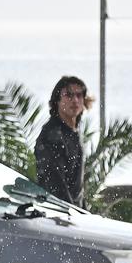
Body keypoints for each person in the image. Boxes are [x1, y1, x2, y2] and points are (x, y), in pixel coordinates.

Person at [34, 75, 93, 205]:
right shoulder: (52, 135)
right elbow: (55, 185)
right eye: (68, 95)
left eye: (79, 95)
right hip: (57, 213)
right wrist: (72, 214)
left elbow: (77, 187)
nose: (75, 100)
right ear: (57, 100)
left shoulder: (73, 132)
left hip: (73, 213)